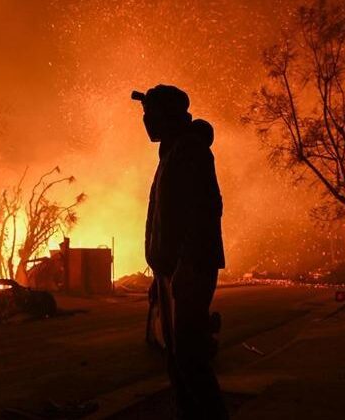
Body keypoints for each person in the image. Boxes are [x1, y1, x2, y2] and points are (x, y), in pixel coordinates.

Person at [133, 85, 227, 419]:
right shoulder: (172, 152)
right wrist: (159, 276)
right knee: (177, 361)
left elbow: (206, 209)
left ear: (169, 115)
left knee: (189, 360)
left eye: (151, 115)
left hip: (188, 271)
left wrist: (186, 265)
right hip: (171, 273)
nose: (146, 122)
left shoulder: (190, 150)